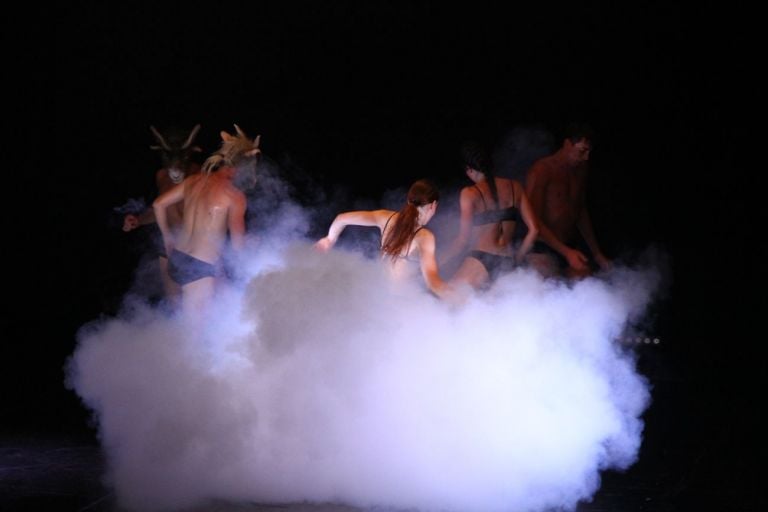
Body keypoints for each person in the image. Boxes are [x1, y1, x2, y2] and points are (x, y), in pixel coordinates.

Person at [153, 124, 261, 315]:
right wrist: (253, 243)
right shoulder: (234, 196)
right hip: (199, 269)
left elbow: (158, 205)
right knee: (192, 338)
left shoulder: (194, 180)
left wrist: (168, 237)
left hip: (177, 258)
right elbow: (237, 248)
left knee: (227, 303)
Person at [315, 179, 454, 300]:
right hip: (402, 305)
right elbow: (432, 282)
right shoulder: (425, 237)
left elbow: (341, 218)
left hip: (379, 298)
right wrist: (458, 296)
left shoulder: (385, 217)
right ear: (433, 205)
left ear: (408, 200)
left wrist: (329, 239)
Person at [441, 141, 539, 290]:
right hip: (507, 261)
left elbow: (462, 240)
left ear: (469, 170)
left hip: (481, 260)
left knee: (447, 300)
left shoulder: (469, 193)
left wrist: (439, 260)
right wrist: (518, 258)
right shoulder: (516, 187)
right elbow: (534, 230)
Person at [122, 124, 203, 303]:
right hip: (168, 249)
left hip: (194, 248)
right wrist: (139, 220)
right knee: (174, 304)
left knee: (198, 305)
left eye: (180, 156)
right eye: (170, 156)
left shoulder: (199, 175)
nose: (175, 167)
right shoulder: (161, 176)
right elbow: (160, 209)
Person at [525, 123, 611, 279]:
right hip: (543, 247)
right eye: (582, 151)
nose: (586, 158)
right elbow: (533, 220)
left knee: (588, 283)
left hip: (570, 246)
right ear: (567, 144)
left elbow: (580, 211)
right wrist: (566, 252)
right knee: (545, 282)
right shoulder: (542, 170)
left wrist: (597, 253)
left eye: (589, 152)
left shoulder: (582, 169)